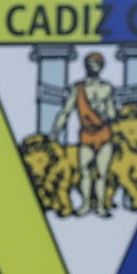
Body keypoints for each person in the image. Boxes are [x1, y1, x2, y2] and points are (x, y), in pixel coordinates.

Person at [50, 51, 117, 217]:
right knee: (85, 171)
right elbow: (66, 112)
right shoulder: (78, 88)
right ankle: (86, 204)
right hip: (86, 135)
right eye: (90, 63)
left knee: (102, 173)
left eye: (96, 63)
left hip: (104, 134)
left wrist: (104, 111)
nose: (93, 67)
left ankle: (100, 206)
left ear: (101, 67)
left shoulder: (107, 88)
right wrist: (55, 131)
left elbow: (112, 113)